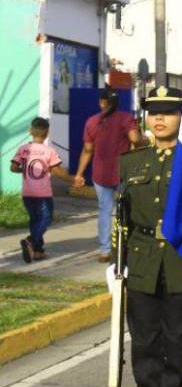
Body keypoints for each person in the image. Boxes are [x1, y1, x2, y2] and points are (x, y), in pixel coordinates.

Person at [115, 87, 182, 387]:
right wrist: (119, 263)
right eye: (154, 112)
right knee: (145, 345)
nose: (160, 118)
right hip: (143, 261)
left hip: (181, 262)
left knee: (178, 343)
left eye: (169, 112)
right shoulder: (132, 162)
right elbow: (123, 220)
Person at [73, 88, 143, 262]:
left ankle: (104, 250)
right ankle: (127, 246)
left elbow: (88, 150)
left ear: (101, 102)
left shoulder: (91, 122)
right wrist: (146, 140)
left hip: (100, 174)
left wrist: (79, 174)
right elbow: (135, 139)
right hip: (123, 172)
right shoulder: (126, 118)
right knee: (127, 210)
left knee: (105, 210)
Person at [10, 118, 72, 262]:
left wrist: (24, 169)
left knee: (35, 220)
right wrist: (71, 180)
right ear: (47, 133)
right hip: (43, 194)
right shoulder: (49, 151)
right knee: (46, 218)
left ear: (30, 131)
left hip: (27, 193)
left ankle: (38, 251)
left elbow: (13, 168)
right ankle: (30, 241)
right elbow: (56, 170)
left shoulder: (23, 149)